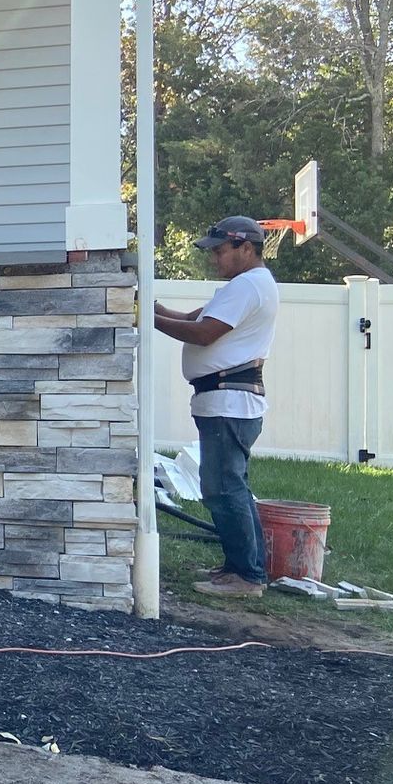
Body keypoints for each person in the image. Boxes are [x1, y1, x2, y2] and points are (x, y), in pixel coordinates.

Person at [154, 217, 280, 597]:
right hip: (224, 399)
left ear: (246, 247)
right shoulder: (245, 286)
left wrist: (144, 318)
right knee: (226, 487)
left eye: (220, 251)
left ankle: (247, 576)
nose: (214, 259)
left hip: (231, 400)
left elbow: (204, 334)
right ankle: (240, 567)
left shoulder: (248, 286)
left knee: (225, 488)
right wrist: (152, 307)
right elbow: (193, 318)